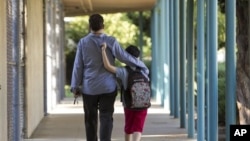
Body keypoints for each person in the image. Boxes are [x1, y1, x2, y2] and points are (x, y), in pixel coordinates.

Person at [70, 13, 149, 141]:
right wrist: (142, 66)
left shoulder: (83, 42)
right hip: (108, 87)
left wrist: (74, 86)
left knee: (90, 119)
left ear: (90, 26)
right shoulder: (110, 41)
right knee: (106, 117)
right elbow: (124, 57)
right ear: (103, 25)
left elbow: (78, 66)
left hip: (89, 88)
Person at [101, 43, 149, 141]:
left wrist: (103, 51)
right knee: (138, 128)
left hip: (129, 104)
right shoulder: (144, 70)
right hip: (143, 103)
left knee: (129, 128)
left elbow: (108, 66)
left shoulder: (123, 71)